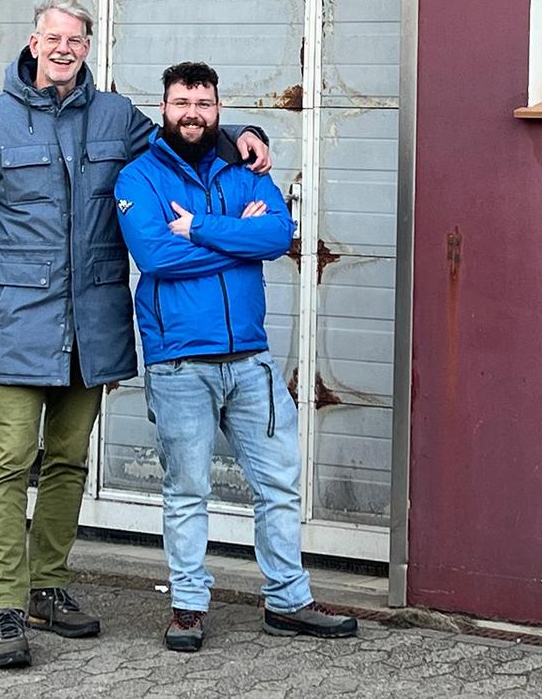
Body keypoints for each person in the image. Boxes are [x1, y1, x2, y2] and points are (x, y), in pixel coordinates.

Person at [0, 0, 271, 669]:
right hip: (17, 324)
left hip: (93, 326)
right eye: (53, 38)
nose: (64, 49)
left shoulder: (117, 117)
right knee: (6, 467)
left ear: (88, 46)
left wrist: (246, 135)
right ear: (33, 41)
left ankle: (48, 588)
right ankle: (6, 605)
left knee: (66, 463)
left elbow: (186, 138)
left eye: (76, 40)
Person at [112, 61, 359, 653]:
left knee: (279, 483)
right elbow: (155, 257)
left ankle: (288, 601)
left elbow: (278, 237)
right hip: (179, 363)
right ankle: (189, 606)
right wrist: (233, 241)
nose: (192, 113)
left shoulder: (244, 169)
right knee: (187, 489)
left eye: (203, 102)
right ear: (164, 108)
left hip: (250, 360)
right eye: (180, 102)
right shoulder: (138, 178)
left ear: (219, 108)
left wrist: (197, 227)